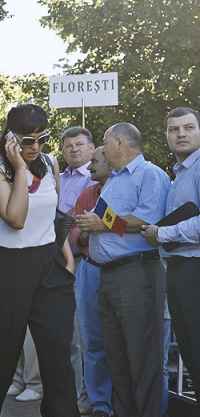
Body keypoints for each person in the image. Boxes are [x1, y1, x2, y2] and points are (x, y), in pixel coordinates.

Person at [0, 104, 78, 417]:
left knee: (58, 356)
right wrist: (19, 169)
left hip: (50, 265)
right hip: (9, 267)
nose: (35, 147)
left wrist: (66, 259)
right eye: (27, 141)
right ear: (10, 137)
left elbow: (54, 217)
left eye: (42, 139)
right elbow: (16, 218)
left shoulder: (50, 162)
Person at [76, 123, 170, 417]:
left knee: (143, 358)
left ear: (119, 142)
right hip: (107, 275)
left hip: (136, 273)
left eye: (104, 142)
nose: (101, 149)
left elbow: (148, 222)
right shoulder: (114, 180)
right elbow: (109, 220)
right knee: (116, 357)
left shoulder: (150, 174)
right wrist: (93, 224)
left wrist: (101, 223)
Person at [141, 107, 200, 417]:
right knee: (190, 354)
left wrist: (163, 233)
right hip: (178, 270)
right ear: (165, 136)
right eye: (174, 129)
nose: (181, 134)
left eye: (189, 127)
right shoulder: (179, 174)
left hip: (195, 268)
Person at [70, 146, 113, 417]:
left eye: (95, 161)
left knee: (121, 340)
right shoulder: (87, 193)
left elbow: (124, 227)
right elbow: (75, 232)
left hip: (122, 271)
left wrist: (100, 225)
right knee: (92, 339)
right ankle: (99, 403)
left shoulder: (128, 187)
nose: (90, 167)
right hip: (88, 270)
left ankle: (123, 400)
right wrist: (89, 232)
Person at [59, 126, 95, 415]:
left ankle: (88, 396)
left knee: (84, 334)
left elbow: (85, 228)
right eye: (68, 145)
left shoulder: (96, 180)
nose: (74, 149)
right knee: (64, 332)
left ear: (92, 148)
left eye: (79, 144)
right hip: (54, 262)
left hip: (82, 262)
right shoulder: (56, 180)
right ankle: (67, 393)